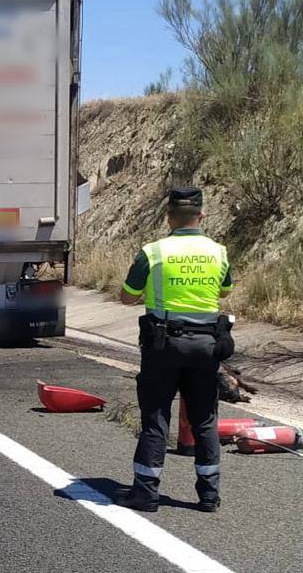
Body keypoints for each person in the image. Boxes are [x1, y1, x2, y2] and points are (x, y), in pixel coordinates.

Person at [117, 186, 234, 513]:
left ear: (168, 217)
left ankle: (145, 493)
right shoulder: (218, 252)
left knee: (156, 417)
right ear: (202, 215)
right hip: (207, 346)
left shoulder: (153, 252)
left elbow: (127, 296)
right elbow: (225, 290)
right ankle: (209, 496)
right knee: (205, 420)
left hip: (164, 345)